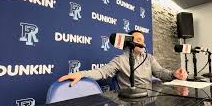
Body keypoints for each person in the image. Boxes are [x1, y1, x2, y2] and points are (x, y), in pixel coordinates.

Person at [58, 30, 188, 88]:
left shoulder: (149, 58)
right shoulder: (120, 59)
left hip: (149, 99)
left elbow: (160, 72)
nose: (142, 43)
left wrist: (173, 74)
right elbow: (102, 72)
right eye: (138, 40)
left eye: (143, 40)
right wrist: (81, 74)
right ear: (129, 42)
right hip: (129, 101)